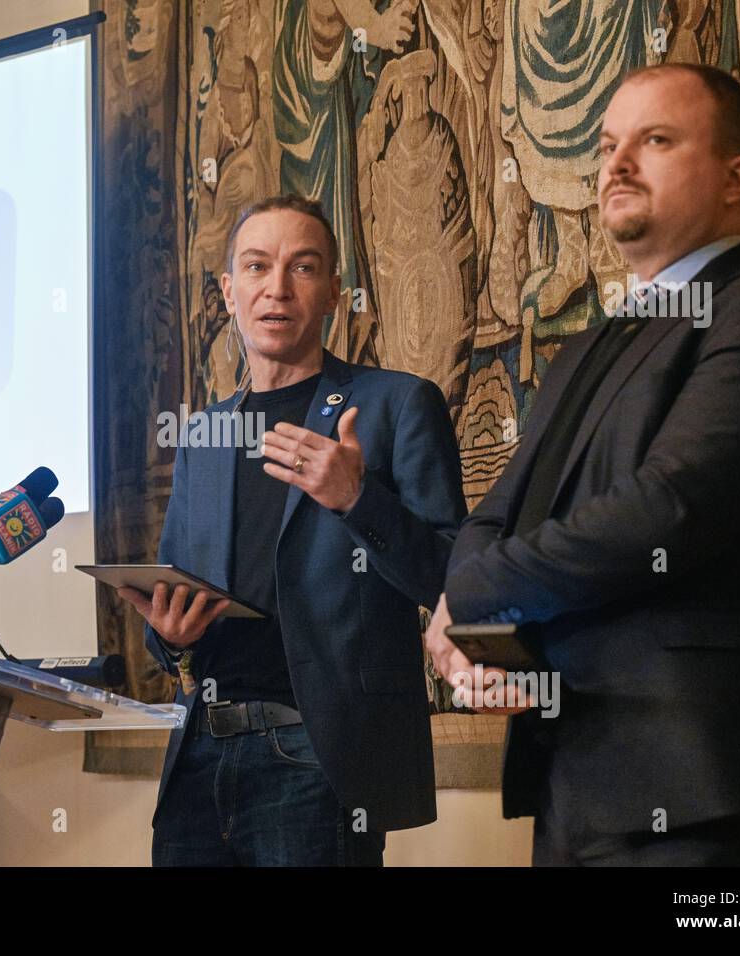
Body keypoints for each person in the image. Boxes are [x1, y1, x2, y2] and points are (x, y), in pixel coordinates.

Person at [427, 63, 740, 866]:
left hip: (704, 788)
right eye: (609, 144)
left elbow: (670, 509)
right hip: (573, 784)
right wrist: (467, 631)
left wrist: (467, 592)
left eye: (655, 140)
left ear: (737, 177)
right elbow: (495, 514)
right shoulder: (588, 345)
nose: (615, 164)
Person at [120, 194, 465, 866]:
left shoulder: (396, 405)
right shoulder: (204, 437)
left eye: (303, 268)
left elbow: (455, 576)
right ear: (228, 290)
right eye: (256, 267)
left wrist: (357, 498)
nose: (276, 288)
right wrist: (167, 637)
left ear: (335, 292)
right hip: (200, 755)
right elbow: (172, 604)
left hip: (316, 755)